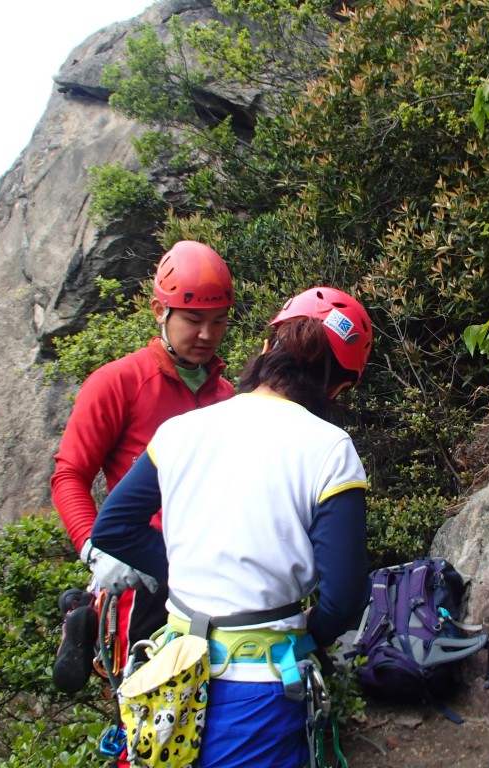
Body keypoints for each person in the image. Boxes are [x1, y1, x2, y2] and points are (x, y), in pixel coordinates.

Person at [90, 286, 373, 767]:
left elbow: (113, 527)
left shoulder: (181, 430)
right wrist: (307, 635)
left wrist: (182, 567)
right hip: (261, 689)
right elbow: (345, 597)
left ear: (267, 348)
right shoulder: (330, 448)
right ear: (339, 385)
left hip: (171, 674)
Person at [50, 240, 236, 698]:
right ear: (160, 310)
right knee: (148, 715)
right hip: (140, 577)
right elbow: (70, 473)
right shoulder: (118, 383)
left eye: (218, 321)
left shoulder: (226, 396)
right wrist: (94, 548)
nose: (207, 335)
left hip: (208, 576)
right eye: (193, 320)